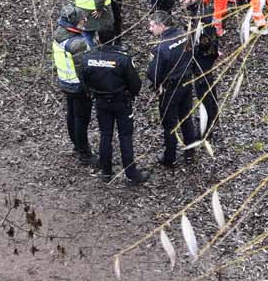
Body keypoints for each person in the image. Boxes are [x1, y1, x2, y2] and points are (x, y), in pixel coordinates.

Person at [75, 35, 146, 184]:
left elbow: (82, 78)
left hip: (101, 102)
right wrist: (130, 94)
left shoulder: (88, 58)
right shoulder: (122, 59)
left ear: (98, 39)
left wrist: (91, 92)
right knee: (125, 136)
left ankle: (106, 171)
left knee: (105, 135)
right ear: (114, 39)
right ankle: (131, 174)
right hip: (121, 102)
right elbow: (135, 83)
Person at [147, 12, 197, 168]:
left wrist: (157, 86)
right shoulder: (185, 34)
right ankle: (190, 153)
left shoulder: (160, 49)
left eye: (152, 25)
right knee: (186, 118)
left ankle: (170, 158)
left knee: (170, 124)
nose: (150, 29)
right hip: (186, 82)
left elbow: (154, 74)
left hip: (171, 89)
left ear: (161, 26)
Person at [50, 5, 93, 164]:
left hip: (65, 82)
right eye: (82, 19)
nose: (85, 20)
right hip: (78, 86)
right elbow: (83, 70)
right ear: (74, 22)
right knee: (81, 119)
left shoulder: (58, 34)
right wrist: (89, 89)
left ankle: (77, 145)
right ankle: (84, 153)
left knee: (72, 115)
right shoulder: (77, 44)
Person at [190, 21, 222, 139]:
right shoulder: (211, 33)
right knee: (211, 100)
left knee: (206, 104)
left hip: (201, 76)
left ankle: (206, 130)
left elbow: (203, 48)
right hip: (207, 73)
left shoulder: (204, 42)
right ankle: (212, 121)